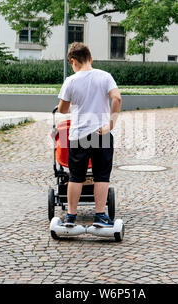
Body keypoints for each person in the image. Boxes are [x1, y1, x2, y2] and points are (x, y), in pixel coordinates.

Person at [57, 42, 122, 228]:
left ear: (73, 61)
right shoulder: (105, 76)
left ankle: (70, 216)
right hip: (101, 133)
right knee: (101, 175)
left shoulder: (71, 81)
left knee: (76, 176)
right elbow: (117, 98)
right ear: (90, 58)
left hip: (79, 135)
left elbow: (62, 109)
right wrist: (111, 124)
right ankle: (100, 216)